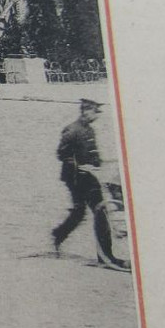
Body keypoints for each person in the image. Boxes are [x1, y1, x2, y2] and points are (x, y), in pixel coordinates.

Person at [52, 99, 106, 255]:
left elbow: (92, 153)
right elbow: (61, 154)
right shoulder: (72, 130)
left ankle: (104, 254)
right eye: (94, 112)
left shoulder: (89, 130)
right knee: (83, 212)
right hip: (75, 178)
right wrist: (79, 166)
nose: (96, 116)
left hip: (88, 176)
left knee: (98, 211)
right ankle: (59, 235)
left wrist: (96, 162)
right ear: (85, 111)